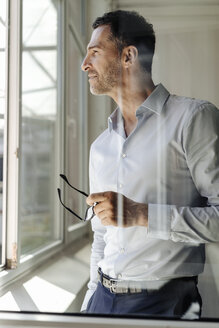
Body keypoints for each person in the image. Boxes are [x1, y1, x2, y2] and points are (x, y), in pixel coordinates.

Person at [80, 10, 219, 318]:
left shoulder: (193, 119)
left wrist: (141, 214)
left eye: (94, 53)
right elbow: (101, 235)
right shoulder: (100, 147)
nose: (84, 65)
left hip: (166, 304)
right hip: (101, 300)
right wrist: (89, 303)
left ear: (128, 56)